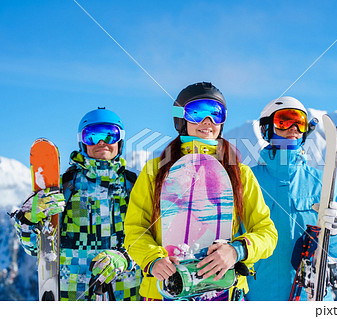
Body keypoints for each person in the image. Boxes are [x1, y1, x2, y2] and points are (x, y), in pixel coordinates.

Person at [124, 82, 277, 301]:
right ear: (181, 119)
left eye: (216, 113)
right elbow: (135, 229)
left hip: (225, 291)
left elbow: (266, 232)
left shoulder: (239, 173)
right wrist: (152, 258)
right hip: (166, 290)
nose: (208, 122)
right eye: (197, 112)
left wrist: (236, 251)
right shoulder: (154, 171)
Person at [14, 107, 142, 300]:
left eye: (110, 135)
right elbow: (35, 249)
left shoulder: (136, 187)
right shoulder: (63, 187)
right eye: (91, 136)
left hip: (127, 292)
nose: (101, 142)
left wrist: (126, 258)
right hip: (74, 293)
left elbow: (153, 238)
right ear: (82, 142)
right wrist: (28, 219)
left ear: (120, 141)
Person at [246, 96, 337, 301]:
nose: (294, 127)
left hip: (311, 299)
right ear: (267, 129)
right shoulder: (247, 181)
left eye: (300, 122)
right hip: (260, 297)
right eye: (284, 120)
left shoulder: (323, 183)